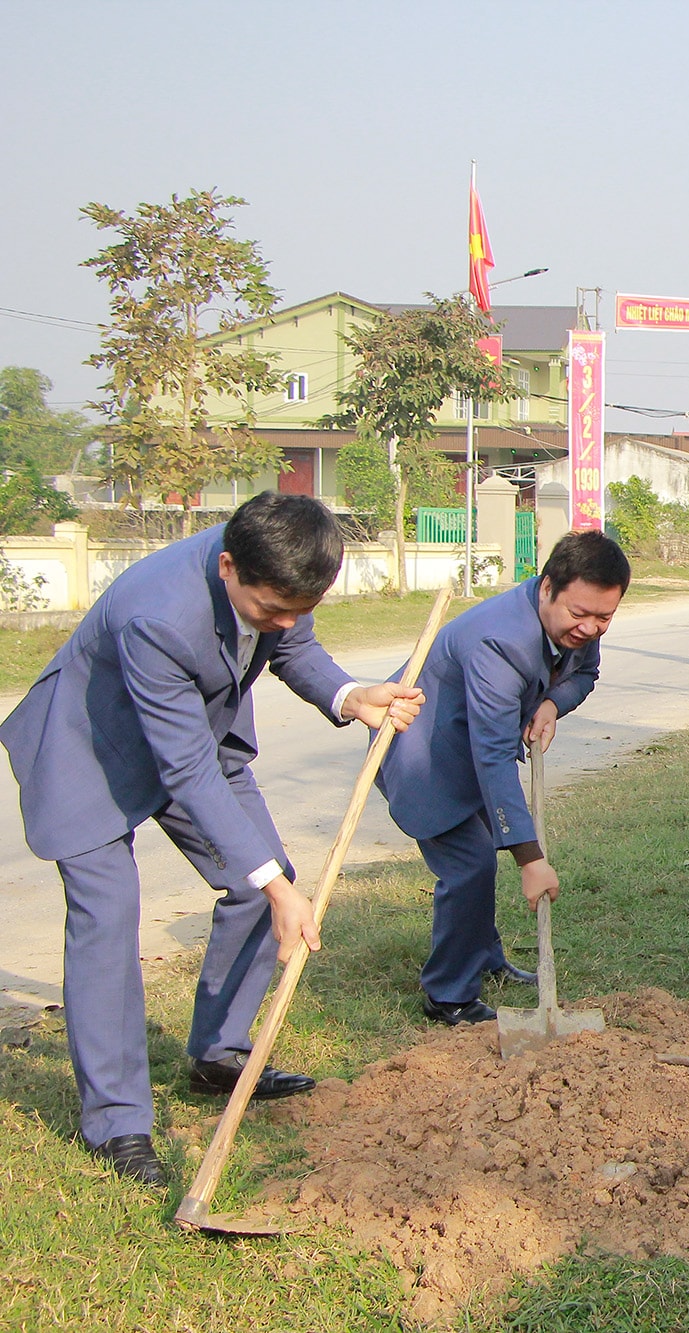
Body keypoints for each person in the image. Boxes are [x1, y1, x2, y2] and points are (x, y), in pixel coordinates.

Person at [0, 493, 424, 1185]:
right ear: (228, 566)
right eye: (270, 610)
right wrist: (278, 884)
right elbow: (187, 768)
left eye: (301, 606)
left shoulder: (272, 558)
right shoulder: (159, 615)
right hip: (90, 749)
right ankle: (118, 1124)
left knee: (261, 887)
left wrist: (349, 695)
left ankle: (216, 1057)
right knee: (109, 918)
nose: (285, 622)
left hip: (191, 736)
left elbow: (295, 643)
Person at [377, 529, 628, 1026]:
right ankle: (448, 994)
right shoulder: (499, 641)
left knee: (482, 854)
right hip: (428, 755)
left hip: (475, 750)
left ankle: (484, 955)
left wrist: (553, 702)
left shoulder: (576, 627)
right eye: (580, 614)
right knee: (470, 865)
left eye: (605, 617)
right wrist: (531, 860)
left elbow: (584, 674)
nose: (590, 628)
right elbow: (491, 756)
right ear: (546, 587)